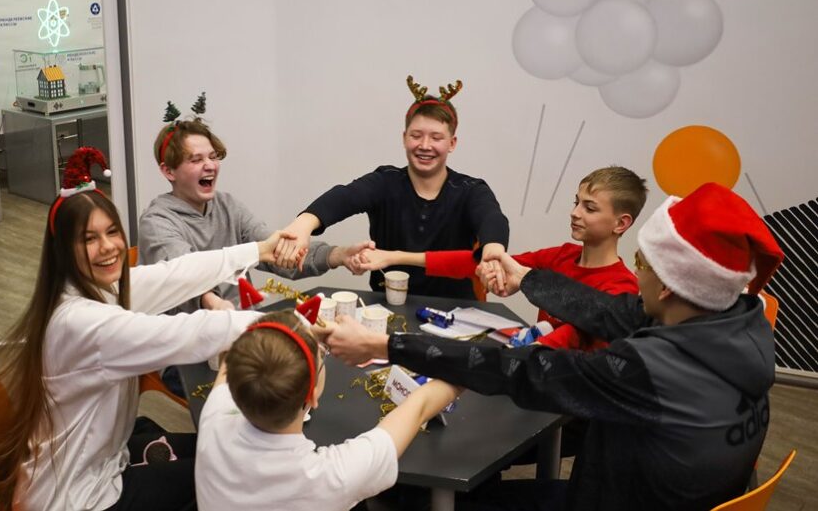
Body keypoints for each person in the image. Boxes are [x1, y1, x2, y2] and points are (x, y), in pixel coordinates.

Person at [319, 182, 784, 511]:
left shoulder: (652, 370)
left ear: (667, 286)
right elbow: (609, 311)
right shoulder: (739, 321)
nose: (636, 272)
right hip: (654, 494)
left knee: (426, 500)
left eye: (643, 263)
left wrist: (388, 345)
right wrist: (527, 277)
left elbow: (521, 370)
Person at [0, 147, 298, 511]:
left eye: (112, 232)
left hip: (100, 463)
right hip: (79, 498)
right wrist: (291, 326)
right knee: (230, 473)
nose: (108, 247)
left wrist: (259, 250)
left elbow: (175, 274)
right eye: (89, 239)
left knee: (227, 453)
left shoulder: (99, 289)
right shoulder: (81, 321)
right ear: (64, 250)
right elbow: (187, 333)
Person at [195, 309, 461, 511]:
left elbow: (234, 355)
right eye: (321, 357)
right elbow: (420, 405)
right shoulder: (330, 478)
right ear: (312, 396)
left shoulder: (214, 418)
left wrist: (299, 338)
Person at [358, 166, 646, 350]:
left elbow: (573, 334)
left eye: (589, 208)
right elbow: (479, 262)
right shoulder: (562, 256)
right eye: (576, 202)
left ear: (621, 223)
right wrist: (395, 256)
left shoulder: (622, 289)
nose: (575, 213)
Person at [276, 76, 509, 299]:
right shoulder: (385, 181)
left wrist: (493, 250)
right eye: (416, 135)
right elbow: (344, 197)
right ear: (404, 138)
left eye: (436, 138)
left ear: (452, 143)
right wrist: (302, 225)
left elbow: (492, 219)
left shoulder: (470, 190)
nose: (425, 145)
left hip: (456, 312)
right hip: (388, 308)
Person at [138, 99, 370, 315]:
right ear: (168, 171)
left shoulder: (228, 206)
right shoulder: (156, 222)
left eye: (213, 156)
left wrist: (338, 255)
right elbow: (185, 277)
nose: (210, 166)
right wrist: (214, 303)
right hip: (191, 336)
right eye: (196, 159)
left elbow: (275, 251)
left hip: (242, 326)